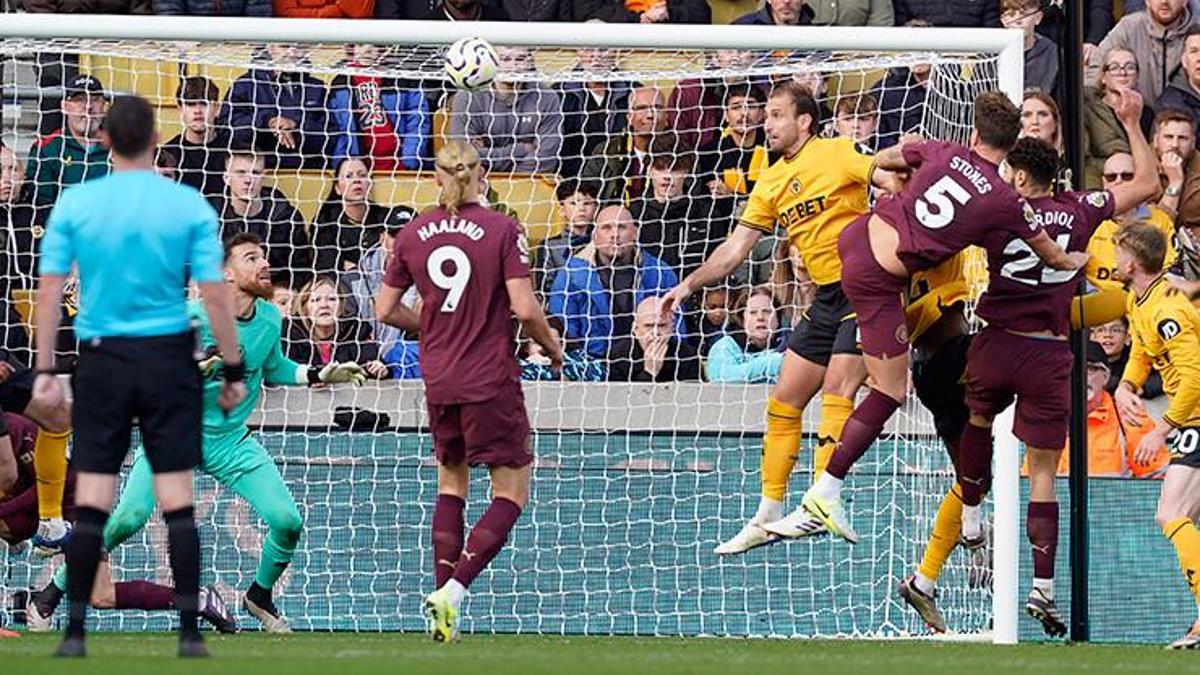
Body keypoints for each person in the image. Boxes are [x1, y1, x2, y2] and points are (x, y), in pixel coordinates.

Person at [28, 234, 366, 635]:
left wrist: (315, 374)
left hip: (228, 442)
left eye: (264, 256)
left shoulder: (272, 319)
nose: (264, 264)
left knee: (288, 521)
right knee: (127, 519)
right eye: (251, 257)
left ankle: (259, 596)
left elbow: (273, 366)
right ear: (226, 272)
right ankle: (50, 592)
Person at [798, 91, 1086, 544]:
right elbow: (1049, 252)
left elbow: (889, 157)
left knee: (873, 376)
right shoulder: (1005, 200)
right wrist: (1073, 261)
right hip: (878, 279)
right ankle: (825, 490)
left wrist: (897, 179)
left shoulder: (942, 150)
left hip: (855, 241)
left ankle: (827, 491)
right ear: (1011, 149)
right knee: (890, 389)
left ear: (973, 134)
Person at [31, 94, 247, 658]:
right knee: (177, 497)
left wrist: (46, 368)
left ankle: (74, 631)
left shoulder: (78, 204)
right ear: (156, 141)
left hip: (103, 359)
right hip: (167, 361)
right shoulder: (187, 206)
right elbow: (216, 294)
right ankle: (189, 631)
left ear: (104, 139)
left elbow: (51, 290)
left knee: (95, 496)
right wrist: (233, 365)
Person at [660, 81, 899, 554]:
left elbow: (884, 177)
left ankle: (821, 501)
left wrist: (896, 191)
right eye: (765, 116)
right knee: (784, 400)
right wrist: (686, 286)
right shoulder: (769, 181)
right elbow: (734, 250)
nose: (764, 124)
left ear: (803, 120)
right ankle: (768, 512)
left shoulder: (836, 151)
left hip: (866, 287)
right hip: (826, 296)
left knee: (839, 389)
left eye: (774, 115)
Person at [951, 98, 1158, 637]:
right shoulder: (1081, 208)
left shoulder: (998, 206)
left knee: (975, 424)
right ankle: (1043, 587)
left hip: (996, 343)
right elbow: (1149, 186)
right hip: (1048, 352)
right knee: (1042, 473)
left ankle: (972, 519)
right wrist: (1133, 123)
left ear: (1020, 175)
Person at [374, 139, 563, 643]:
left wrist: (432, 326)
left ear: (436, 178)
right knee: (512, 490)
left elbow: (385, 309)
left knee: (451, 484)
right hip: (488, 377)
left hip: (437, 376)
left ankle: (443, 610)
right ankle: (453, 592)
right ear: (483, 175)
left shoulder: (411, 234)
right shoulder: (504, 228)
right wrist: (553, 345)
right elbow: (524, 309)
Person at [1111, 221, 1200, 648]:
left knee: (1171, 514)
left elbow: (1195, 378)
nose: (1112, 260)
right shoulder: (1138, 299)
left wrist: (1162, 428)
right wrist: (1125, 386)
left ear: (1131, 262)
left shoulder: (1170, 309)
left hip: (1196, 418)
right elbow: (1142, 352)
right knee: (1182, 517)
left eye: (1116, 253)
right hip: (1192, 419)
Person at [548, 205, 678, 360]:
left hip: (650, 360)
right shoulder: (570, 276)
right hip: (592, 366)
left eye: (621, 227)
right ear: (594, 235)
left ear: (635, 232)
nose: (614, 234)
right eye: (606, 228)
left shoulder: (660, 273)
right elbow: (564, 333)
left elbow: (677, 329)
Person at [448, 47, 563, 174]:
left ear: (530, 61)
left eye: (520, 59)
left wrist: (513, 179)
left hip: (529, 183)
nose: (513, 66)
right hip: (477, 181)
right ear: (491, 61)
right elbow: (462, 155)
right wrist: (521, 150)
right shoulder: (467, 96)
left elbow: (546, 157)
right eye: (505, 59)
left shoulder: (547, 97)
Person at [217, 44, 330, 170]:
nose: (292, 54)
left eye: (298, 48)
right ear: (270, 48)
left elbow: (331, 137)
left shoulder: (317, 88)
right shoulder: (245, 85)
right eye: (285, 46)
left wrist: (296, 125)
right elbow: (226, 132)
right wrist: (267, 121)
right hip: (257, 174)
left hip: (311, 173)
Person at [210, 150, 312, 288]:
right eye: (241, 173)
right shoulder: (210, 218)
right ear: (226, 178)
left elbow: (300, 270)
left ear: (263, 177)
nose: (248, 180)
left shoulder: (287, 218)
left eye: (255, 173)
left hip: (276, 295)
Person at [327, 44, 430, 172]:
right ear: (352, 48)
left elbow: (417, 121)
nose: (367, 50)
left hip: (400, 167)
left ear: (384, 49)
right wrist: (344, 165)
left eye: (374, 45)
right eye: (361, 44)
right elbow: (337, 130)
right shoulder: (341, 83)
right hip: (358, 169)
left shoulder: (403, 78)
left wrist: (409, 161)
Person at [311, 157, 417, 274]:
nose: (356, 180)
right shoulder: (326, 221)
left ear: (369, 184)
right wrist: (344, 265)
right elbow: (326, 263)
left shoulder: (386, 218)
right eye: (348, 176)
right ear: (337, 188)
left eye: (362, 175)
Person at [25, 74, 110, 215]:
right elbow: (41, 209)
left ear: (104, 106)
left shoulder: (123, 148)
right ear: (64, 106)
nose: (88, 107)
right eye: (79, 100)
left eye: (95, 99)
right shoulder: (46, 150)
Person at [285, 276, 391, 380]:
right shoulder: (290, 334)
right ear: (305, 308)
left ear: (341, 305)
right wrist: (315, 377)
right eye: (316, 300)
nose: (324, 305)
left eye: (331, 299)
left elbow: (372, 362)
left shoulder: (356, 331)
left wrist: (380, 370)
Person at [1097, 0, 1195, 104]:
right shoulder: (1128, 27)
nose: (1164, 1)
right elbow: (1095, 66)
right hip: (1134, 113)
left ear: (1185, 1)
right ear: (1147, 1)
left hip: (1187, 116)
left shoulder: (1196, 32)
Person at [582, 85, 668, 202]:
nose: (650, 115)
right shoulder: (606, 151)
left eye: (657, 108)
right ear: (629, 117)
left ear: (667, 115)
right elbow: (586, 194)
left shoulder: (682, 154)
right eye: (641, 108)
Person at [1084, 49, 1154, 188]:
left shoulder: (1147, 113)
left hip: (1137, 181)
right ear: (1103, 77)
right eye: (1115, 67)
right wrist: (1114, 164)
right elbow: (1085, 157)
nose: (1123, 73)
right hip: (1100, 179)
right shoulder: (1088, 109)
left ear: (1138, 76)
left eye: (1130, 67)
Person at [163, 76, 230, 200]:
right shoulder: (168, 154)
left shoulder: (233, 150)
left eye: (204, 104)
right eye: (190, 104)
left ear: (216, 108)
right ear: (180, 109)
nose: (198, 111)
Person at [606, 296, 700, 382]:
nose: (656, 333)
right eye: (649, 326)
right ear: (635, 329)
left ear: (672, 328)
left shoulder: (687, 356)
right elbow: (619, 398)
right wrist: (649, 372)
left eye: (662, 325)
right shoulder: (617, 357)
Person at [534, 179, 600, 298]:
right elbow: (544, 289)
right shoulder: (550, 246)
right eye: (573, 203)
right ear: (562, 210)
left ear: (596, 208)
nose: (581, 209)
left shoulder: (602, 243)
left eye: (587, 203)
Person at [705, 288, 784, 383]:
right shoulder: (725, 346)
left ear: (778, 318)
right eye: (753, 312)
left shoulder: (791, 345)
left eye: (767, 312)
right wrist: (771, 364)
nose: (760, 317)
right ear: (742, 318)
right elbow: (719, 378)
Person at [1020, 93, 1072, 193]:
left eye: (1042, 114)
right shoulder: (1007, 165)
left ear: (1055, 123)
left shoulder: (1069, 163)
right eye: (1027, 115)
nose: (1034, 121)